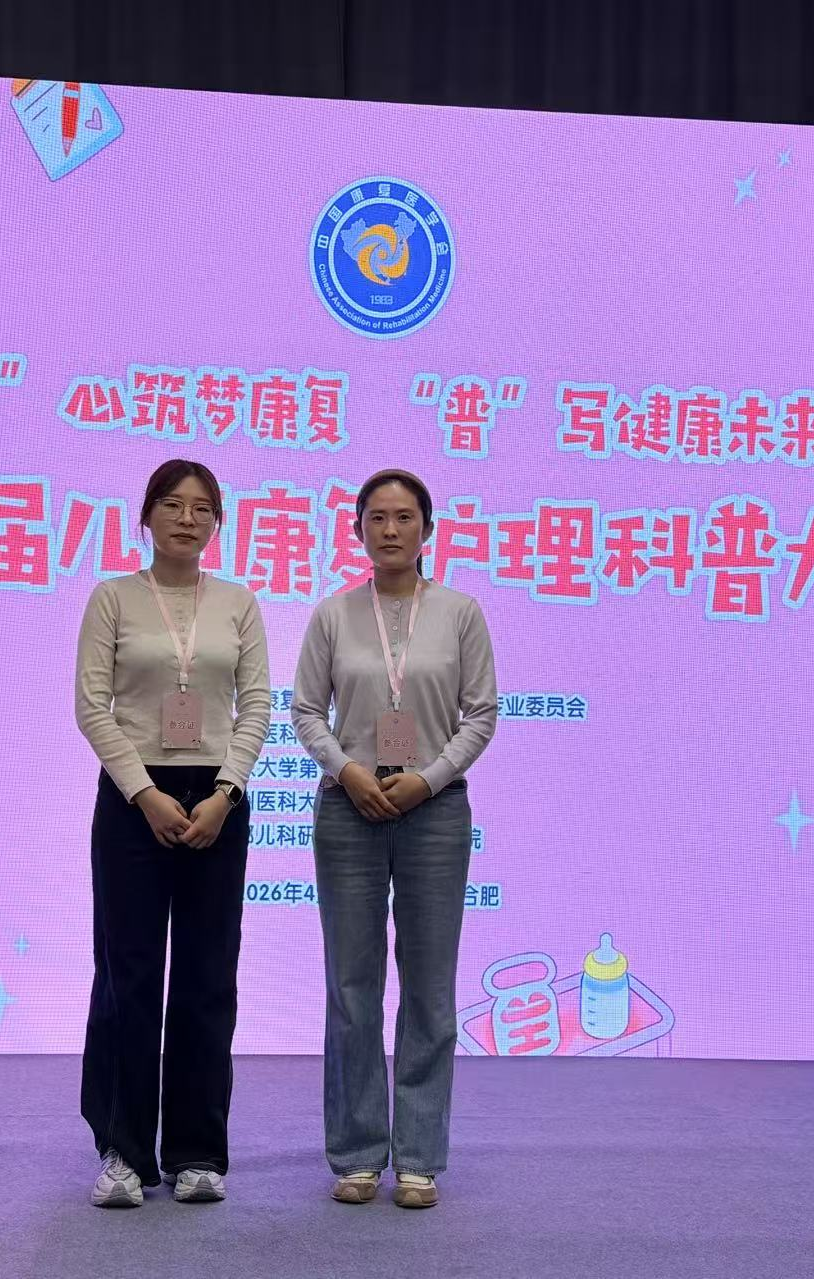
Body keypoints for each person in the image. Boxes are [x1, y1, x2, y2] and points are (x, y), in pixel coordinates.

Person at [292, 468, 498, 1209]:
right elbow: (305, 710)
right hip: (348, 808)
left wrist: (429, 779)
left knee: (430, 988)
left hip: (434, 812)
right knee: (352, 986)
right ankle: (355, 1153)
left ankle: (418, 1156)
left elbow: (481, 713)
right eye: (376, 517)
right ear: (357, 530)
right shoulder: (333, 615)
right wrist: (348, 771)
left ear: (427, 529)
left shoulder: (460, 613)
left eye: (404, 517)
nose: (390, 529)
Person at [75, 459, 270, 1208]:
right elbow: (92, 706)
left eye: (201, 508)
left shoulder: (239, 603)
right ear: (146, 515)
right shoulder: (113, 598)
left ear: (217, 521)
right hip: (134, 799)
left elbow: (255, 705)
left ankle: (197, 1153)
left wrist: (226, 793)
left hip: (218, 799)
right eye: (171, 504)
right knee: (127, 975)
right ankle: (124, 1151)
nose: (187, 519)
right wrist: (146, 794)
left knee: (206, 977)